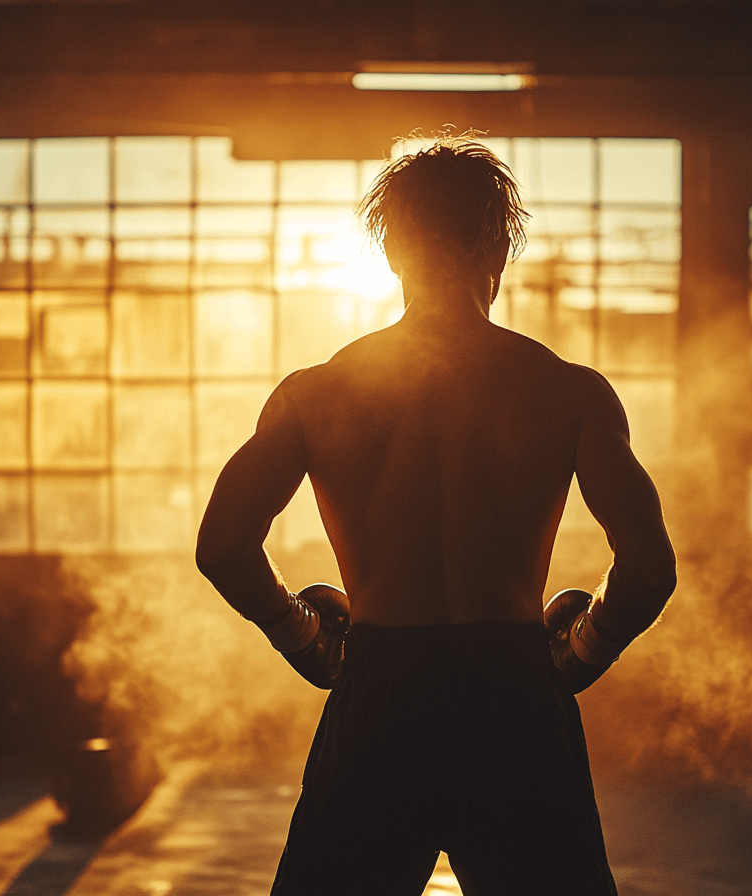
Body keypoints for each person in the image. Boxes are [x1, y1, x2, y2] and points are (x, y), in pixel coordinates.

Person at [196, 134, 677, 896]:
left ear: (393, 253)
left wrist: (303, 637)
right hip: (514, 699)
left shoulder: (317, 393)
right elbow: (649, 569)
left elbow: (223, 546)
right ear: (500, 246)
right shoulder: (568, 392)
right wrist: (581, 650)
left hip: (382, 693)